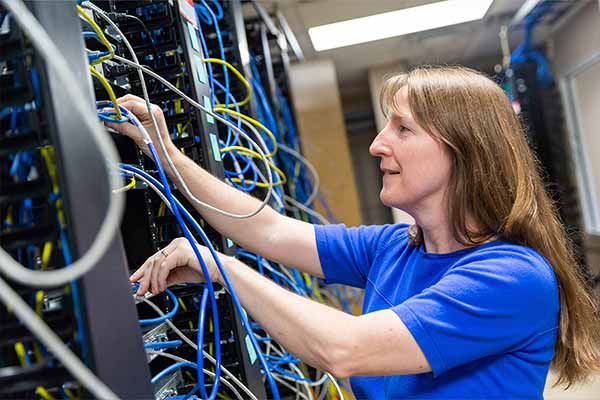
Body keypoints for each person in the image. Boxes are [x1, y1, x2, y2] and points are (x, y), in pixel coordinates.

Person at [107, 66, 600, 399]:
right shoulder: (395, 247)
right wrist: (163, 151)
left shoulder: (512, 277)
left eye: (402, 129)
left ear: (464, 152)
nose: (378, 144)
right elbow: (270, 230)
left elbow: (344, 350)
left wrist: (222, 267)